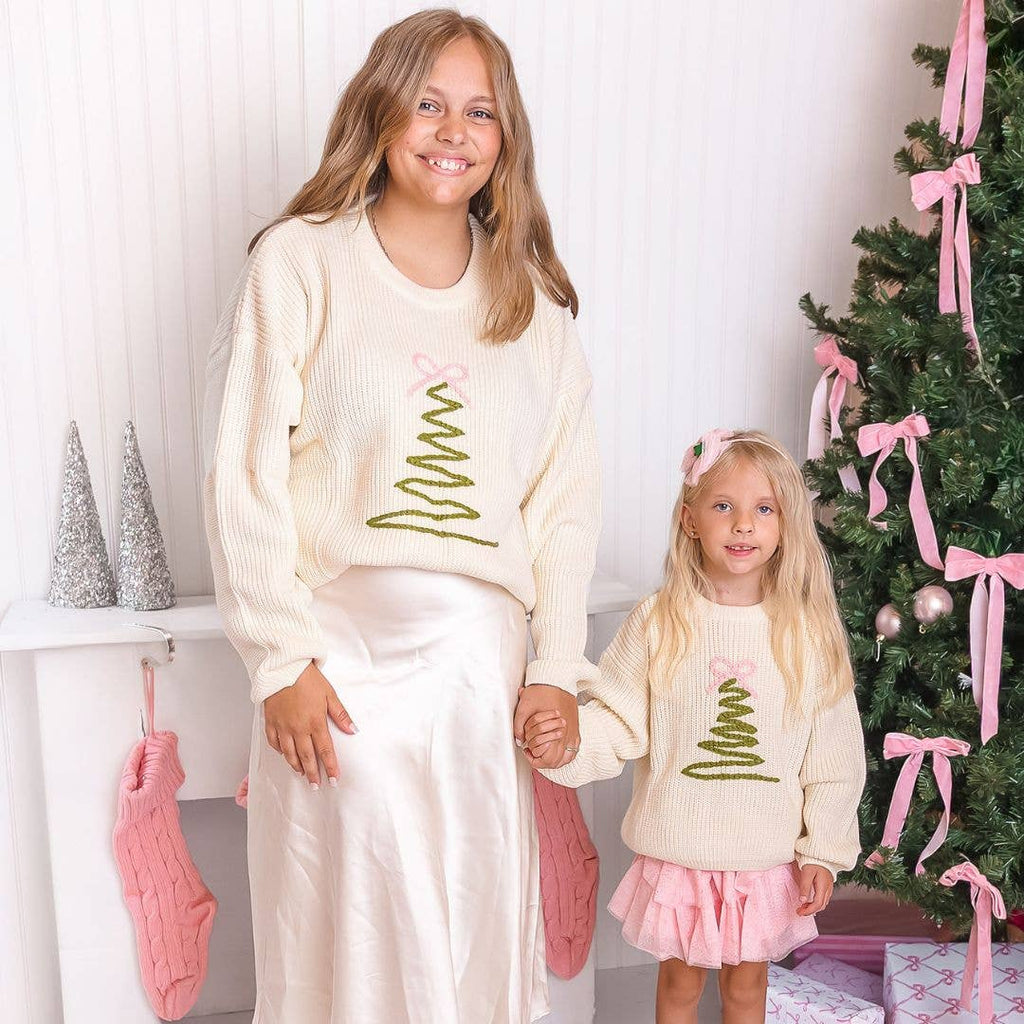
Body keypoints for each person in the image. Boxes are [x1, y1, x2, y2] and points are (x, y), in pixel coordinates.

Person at [201, 10, 598, 1022]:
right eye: (427, 103)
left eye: (479, 111)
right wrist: (277, 661)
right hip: (335, 645)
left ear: (504, 136)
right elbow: (243, 469)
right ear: (380, 114)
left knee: (461, 901)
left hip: (473, 654)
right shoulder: (302, 262)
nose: (451, 131)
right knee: (348, 882)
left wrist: (554, 667)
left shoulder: (533, 307)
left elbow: (562, 506)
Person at [523, 429, 866, 1024]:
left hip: (763, 857)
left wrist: (823, 852)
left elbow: (833, 757)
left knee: (745, 989)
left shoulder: (807, 635)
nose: (743, 525)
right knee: (679, 988)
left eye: (764, 510)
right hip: (682, 850)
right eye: (724, 506)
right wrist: (569, 743)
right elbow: (617, 716)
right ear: (689, 519)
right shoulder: (661, 621)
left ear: (785, 526)